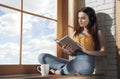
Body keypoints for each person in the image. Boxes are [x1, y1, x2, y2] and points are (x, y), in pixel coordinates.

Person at [38, 7, 107, 75]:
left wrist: (86, 51)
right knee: (42, 57)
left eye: (83, 18)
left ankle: (58, 72)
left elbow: (104, 52)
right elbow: (73, 54)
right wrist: (67, 51)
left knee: (81, 64)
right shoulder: (75, 33)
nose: (80, 21)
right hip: (74, 61)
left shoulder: (98, 32)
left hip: (86, 62)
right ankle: (66, 69)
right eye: (78, 18)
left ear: (91, 19)